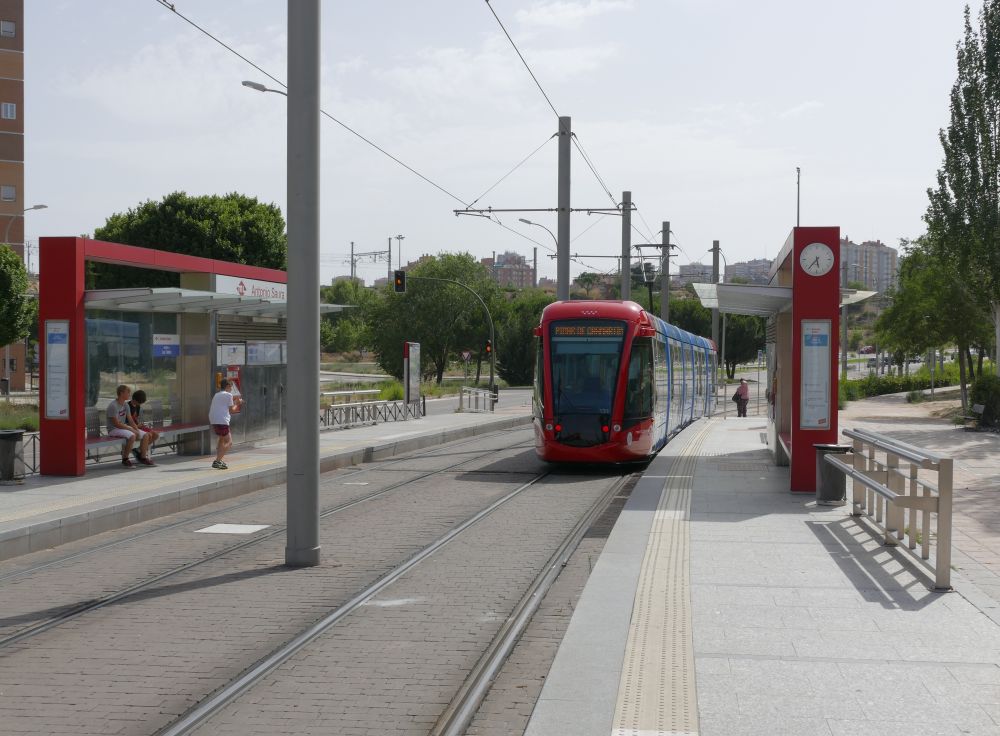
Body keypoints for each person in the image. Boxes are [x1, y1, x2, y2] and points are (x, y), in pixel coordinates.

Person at [107, 384, 153, 467]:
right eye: (128, 392)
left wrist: (136, 429)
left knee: (145, 435)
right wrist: (131, 429)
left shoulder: (126, 405)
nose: (129, 394)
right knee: (132, 436)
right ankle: (125, 459)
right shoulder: (113, 406)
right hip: (113, 429)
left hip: (122, 427)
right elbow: (116, 424)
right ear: (121, 393)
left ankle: (142, 458)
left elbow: (131, 420)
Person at [209, 378, 243, 470]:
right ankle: (217, 461)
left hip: (214, 420)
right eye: (231, 387)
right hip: (222, 420)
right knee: (229, 442)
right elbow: (232, 410)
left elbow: (223, 405)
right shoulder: (228, 395)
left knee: (221, 439)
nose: (231, 389)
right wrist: (238, 403)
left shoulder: (217, 394)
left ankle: (219, 460)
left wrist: (234, 401)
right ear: (227, 386)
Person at [127, 389, 160, 463]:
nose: (139, 404)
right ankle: (143, 457)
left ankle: (138, 450)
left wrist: (139, 424)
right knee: (148, 435)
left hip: (137, 426)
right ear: (134, 399)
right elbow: (126, 422)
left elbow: (135, 419)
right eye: (139, 402)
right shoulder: (127, 406)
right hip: (131, 427)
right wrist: (137, 426)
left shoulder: (138, 406)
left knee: (156, 435)